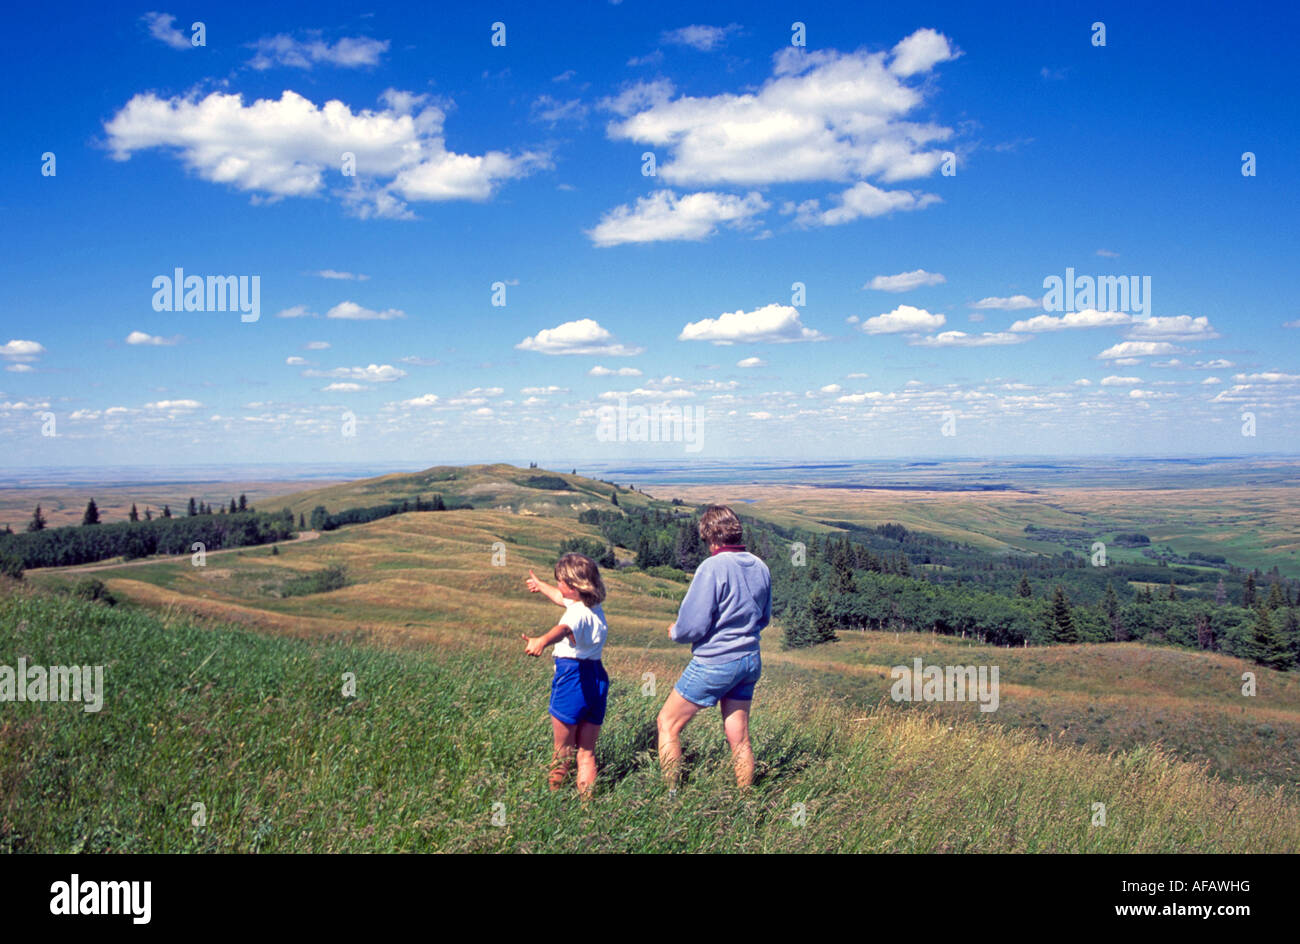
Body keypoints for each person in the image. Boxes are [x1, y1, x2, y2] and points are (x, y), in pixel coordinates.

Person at [658, 505, 771, 789]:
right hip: (750, 659)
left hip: (716, 661)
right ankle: (745, 799)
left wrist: (676, 633)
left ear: (710, 536)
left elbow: (693, 625)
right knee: (740, 738)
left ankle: (671, 796)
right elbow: (764, 617)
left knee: (667, 723)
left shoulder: (712, 567)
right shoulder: (760, 566)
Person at [522, 553, 609, 796]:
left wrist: (541, 641)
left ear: (573, 586)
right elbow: (562, 598)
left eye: (559, 580)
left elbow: (563, 629)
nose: (557, 585)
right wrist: (541, 587)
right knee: (586, 752)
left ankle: (553, 802)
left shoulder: (575, 615)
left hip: (573, 679)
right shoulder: (591, 605)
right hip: (597, 679)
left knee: (562, 750)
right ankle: (586, 808)